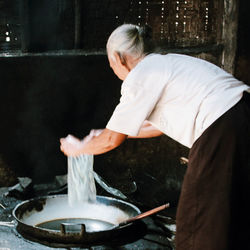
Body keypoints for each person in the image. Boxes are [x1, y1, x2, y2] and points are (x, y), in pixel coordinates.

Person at [60, 24, 250, 250]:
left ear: (119, 58)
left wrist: (79, 147)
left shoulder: (142, 74)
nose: (114, 70)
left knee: (198, 215)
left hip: (221, 128)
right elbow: (155, 127)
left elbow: (112, 140)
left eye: (111, 65)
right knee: (231, 209)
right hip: (242, 117)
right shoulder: (165, 64)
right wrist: (111, 132)